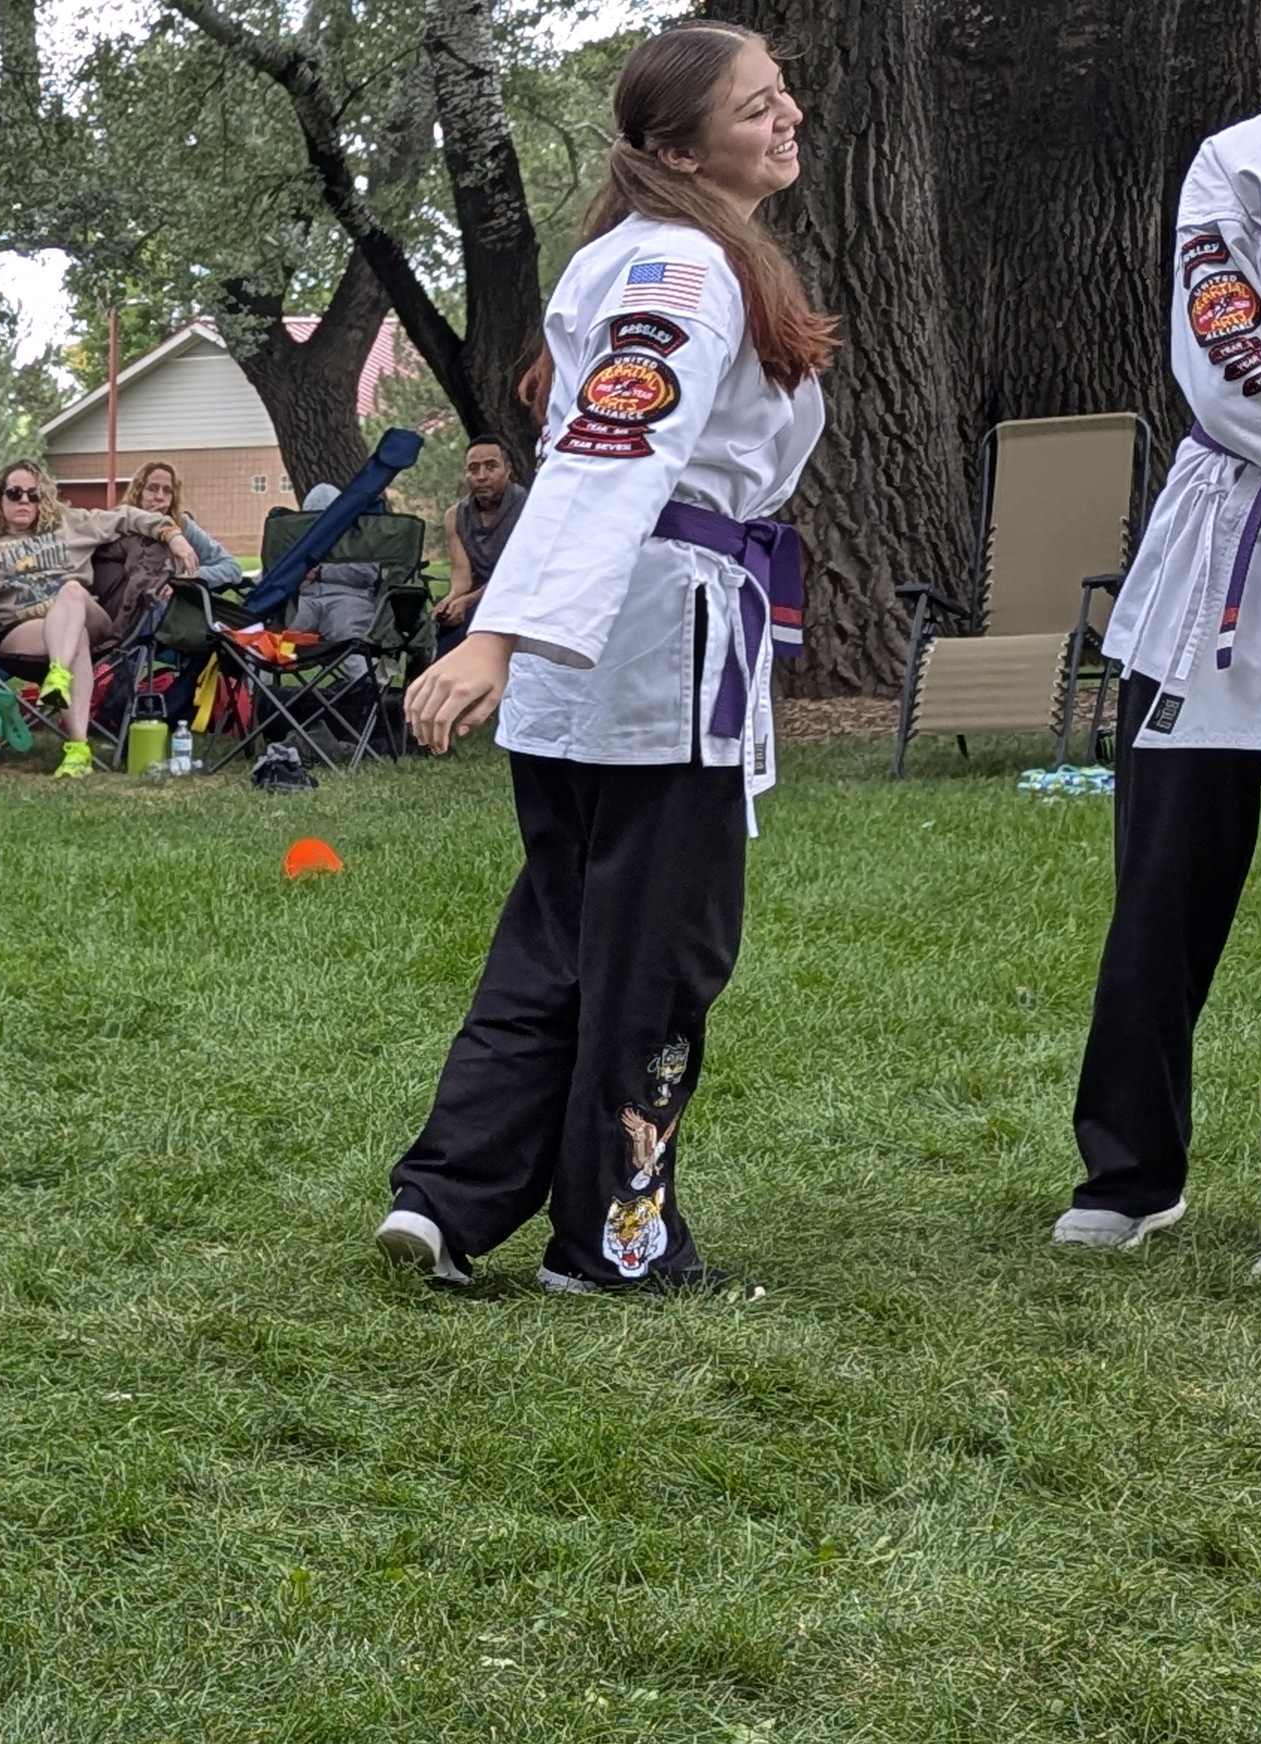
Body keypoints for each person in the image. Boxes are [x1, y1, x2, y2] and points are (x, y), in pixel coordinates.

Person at [375, 24, 826, 1295]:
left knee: (562, 936)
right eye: (755, 107)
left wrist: (519, 640)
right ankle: (617, 1243)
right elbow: (613, 454)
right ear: (680, 146)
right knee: (657, 953)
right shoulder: (680, 269)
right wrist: (504, 636)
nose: (785, 118)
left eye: (784, 97)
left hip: (605, 652)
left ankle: (450, 1198)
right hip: (650, 654)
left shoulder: (649, 257)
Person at [1053, 101, 1261, 1271]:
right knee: (1161, 893)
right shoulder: (1241, 162)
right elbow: (1226, 359)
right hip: (1216, 582)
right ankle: (1131, 1169)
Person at [0, 459, 173, 778]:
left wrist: (174, 536)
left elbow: (129, 516)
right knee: (76, 640)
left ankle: (57, 675)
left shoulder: (71, 523)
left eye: (33, 495)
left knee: (73, 591)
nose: (24, 500)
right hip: (25, 632)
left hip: (89, 617)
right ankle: (78, 749)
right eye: (15, 493)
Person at [432, 439, 528, 639]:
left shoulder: (528, 509)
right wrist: (453, 598)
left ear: (507, 470)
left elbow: (517, 573)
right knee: (446, 623)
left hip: (521, 593)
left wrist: (470, 600)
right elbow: (461, 573)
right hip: (479, 592)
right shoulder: (454, 516)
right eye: (473, 469)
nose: (482, 476)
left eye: (491, 466)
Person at [125, 459, 247, 589]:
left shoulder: (183, 525)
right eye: (152, 489)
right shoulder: (122, 526)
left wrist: (190, 578)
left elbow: (232, 568)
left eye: (167, 490)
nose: (160, 496)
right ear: (138, 493)